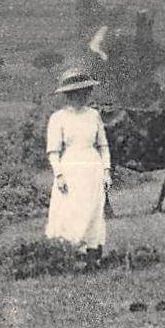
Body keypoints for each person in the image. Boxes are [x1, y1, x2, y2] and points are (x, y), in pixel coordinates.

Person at [45, 69, 112, 269]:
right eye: (79, 91)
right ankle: (71, 253)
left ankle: (93, 253)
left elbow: (103, 145)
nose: (84, 95)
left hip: (92, 167)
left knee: (93, 208)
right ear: (68, 94)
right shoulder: (58, 118)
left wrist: (107, 171)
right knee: (71, 209)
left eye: (86, 90)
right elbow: (53, 151)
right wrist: (59, 175)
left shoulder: (94, 115)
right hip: (71, 167)